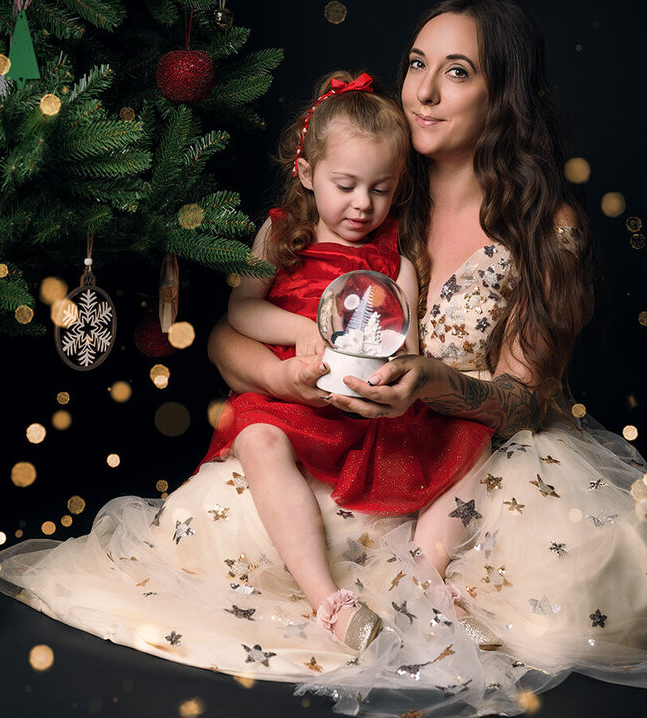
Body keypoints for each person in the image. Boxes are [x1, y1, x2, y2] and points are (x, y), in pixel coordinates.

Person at [0, 0, 647, 718]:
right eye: (416, 64)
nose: (426, 91)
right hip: (352, 442)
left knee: (574, 610)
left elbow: (523, 399)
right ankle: (343, 588)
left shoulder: (543, 228)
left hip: (479, 453)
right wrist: (287, 372)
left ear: (501, 94)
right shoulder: (370, 191)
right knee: (206, 532)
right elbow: (225, 336)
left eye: (458, 72)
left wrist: (433, 381)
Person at [199, 70, 492, 649]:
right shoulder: (282, 237)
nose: (362, 205)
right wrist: (302, 328)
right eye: (346, 184)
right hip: (290, 398)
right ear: (306, 174)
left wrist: (386, 383)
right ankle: (327, 601)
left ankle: (424, 575)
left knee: (466, 440)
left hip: (359, 410)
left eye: (380, 189)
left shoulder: (394, 260)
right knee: (256, 437)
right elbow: (241, 311)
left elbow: (403, 342)